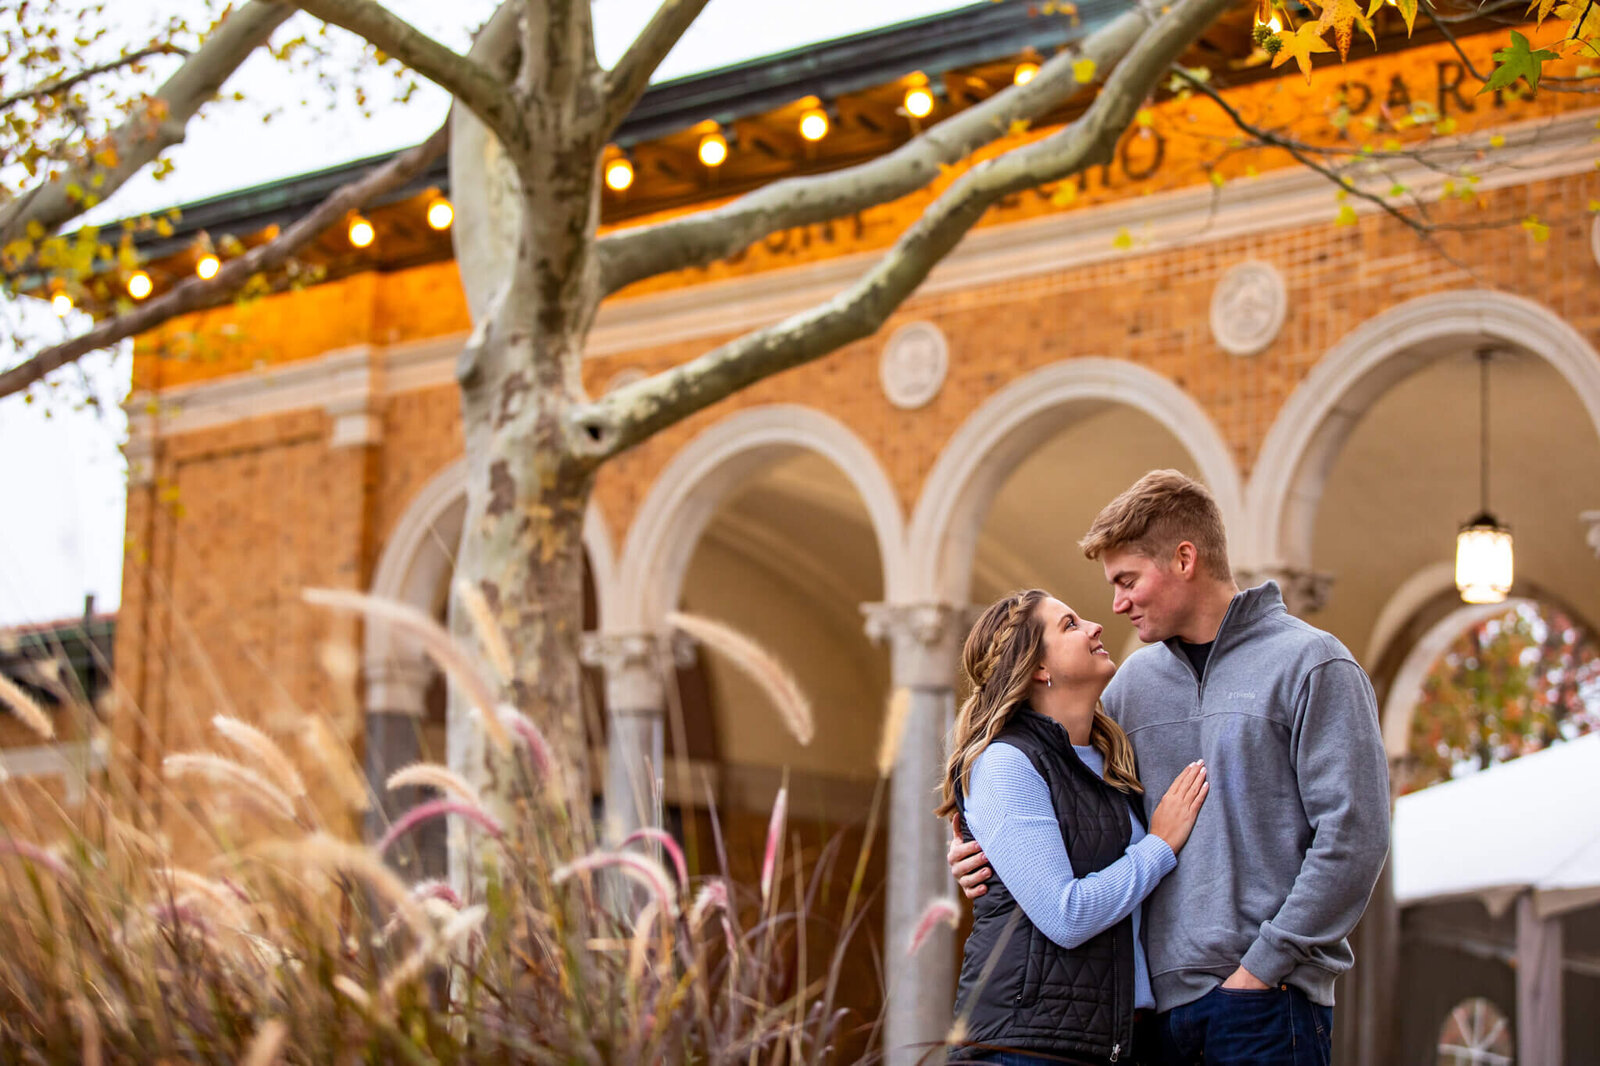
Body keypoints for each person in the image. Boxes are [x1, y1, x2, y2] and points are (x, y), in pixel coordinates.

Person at [947, 470, 1391, 1066]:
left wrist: (1261, 969)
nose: (1116, 604)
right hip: (1146, 1023)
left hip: (1267, 1001)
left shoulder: (1312, 664)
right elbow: (1063, 802)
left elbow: (1355, 836)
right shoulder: (1129, 685)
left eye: (1127, 580)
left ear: (1185, 558)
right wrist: (981, 851)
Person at [936, 587, 1210, 1065]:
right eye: (1070, 625)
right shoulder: (1007, 763)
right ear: (1038, 668)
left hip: (1111, 1037)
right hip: (1026, 1047)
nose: (1096, 626)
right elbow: (1067, 916)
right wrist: (1160, 844)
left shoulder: (1109, 761)